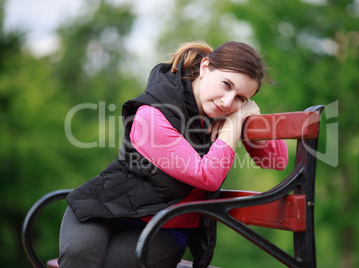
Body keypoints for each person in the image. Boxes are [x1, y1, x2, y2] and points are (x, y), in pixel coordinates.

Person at [58, 41, 288, 268]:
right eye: (226, 85)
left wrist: (248, 115)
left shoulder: (223, 113)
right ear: (205, 67)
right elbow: (207, 176)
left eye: (241, 98)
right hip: (106, 207)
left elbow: (277, 161)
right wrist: (236, 121)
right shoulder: (152, 115)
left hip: (164, 227)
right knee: (79, 256)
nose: (228, 102)